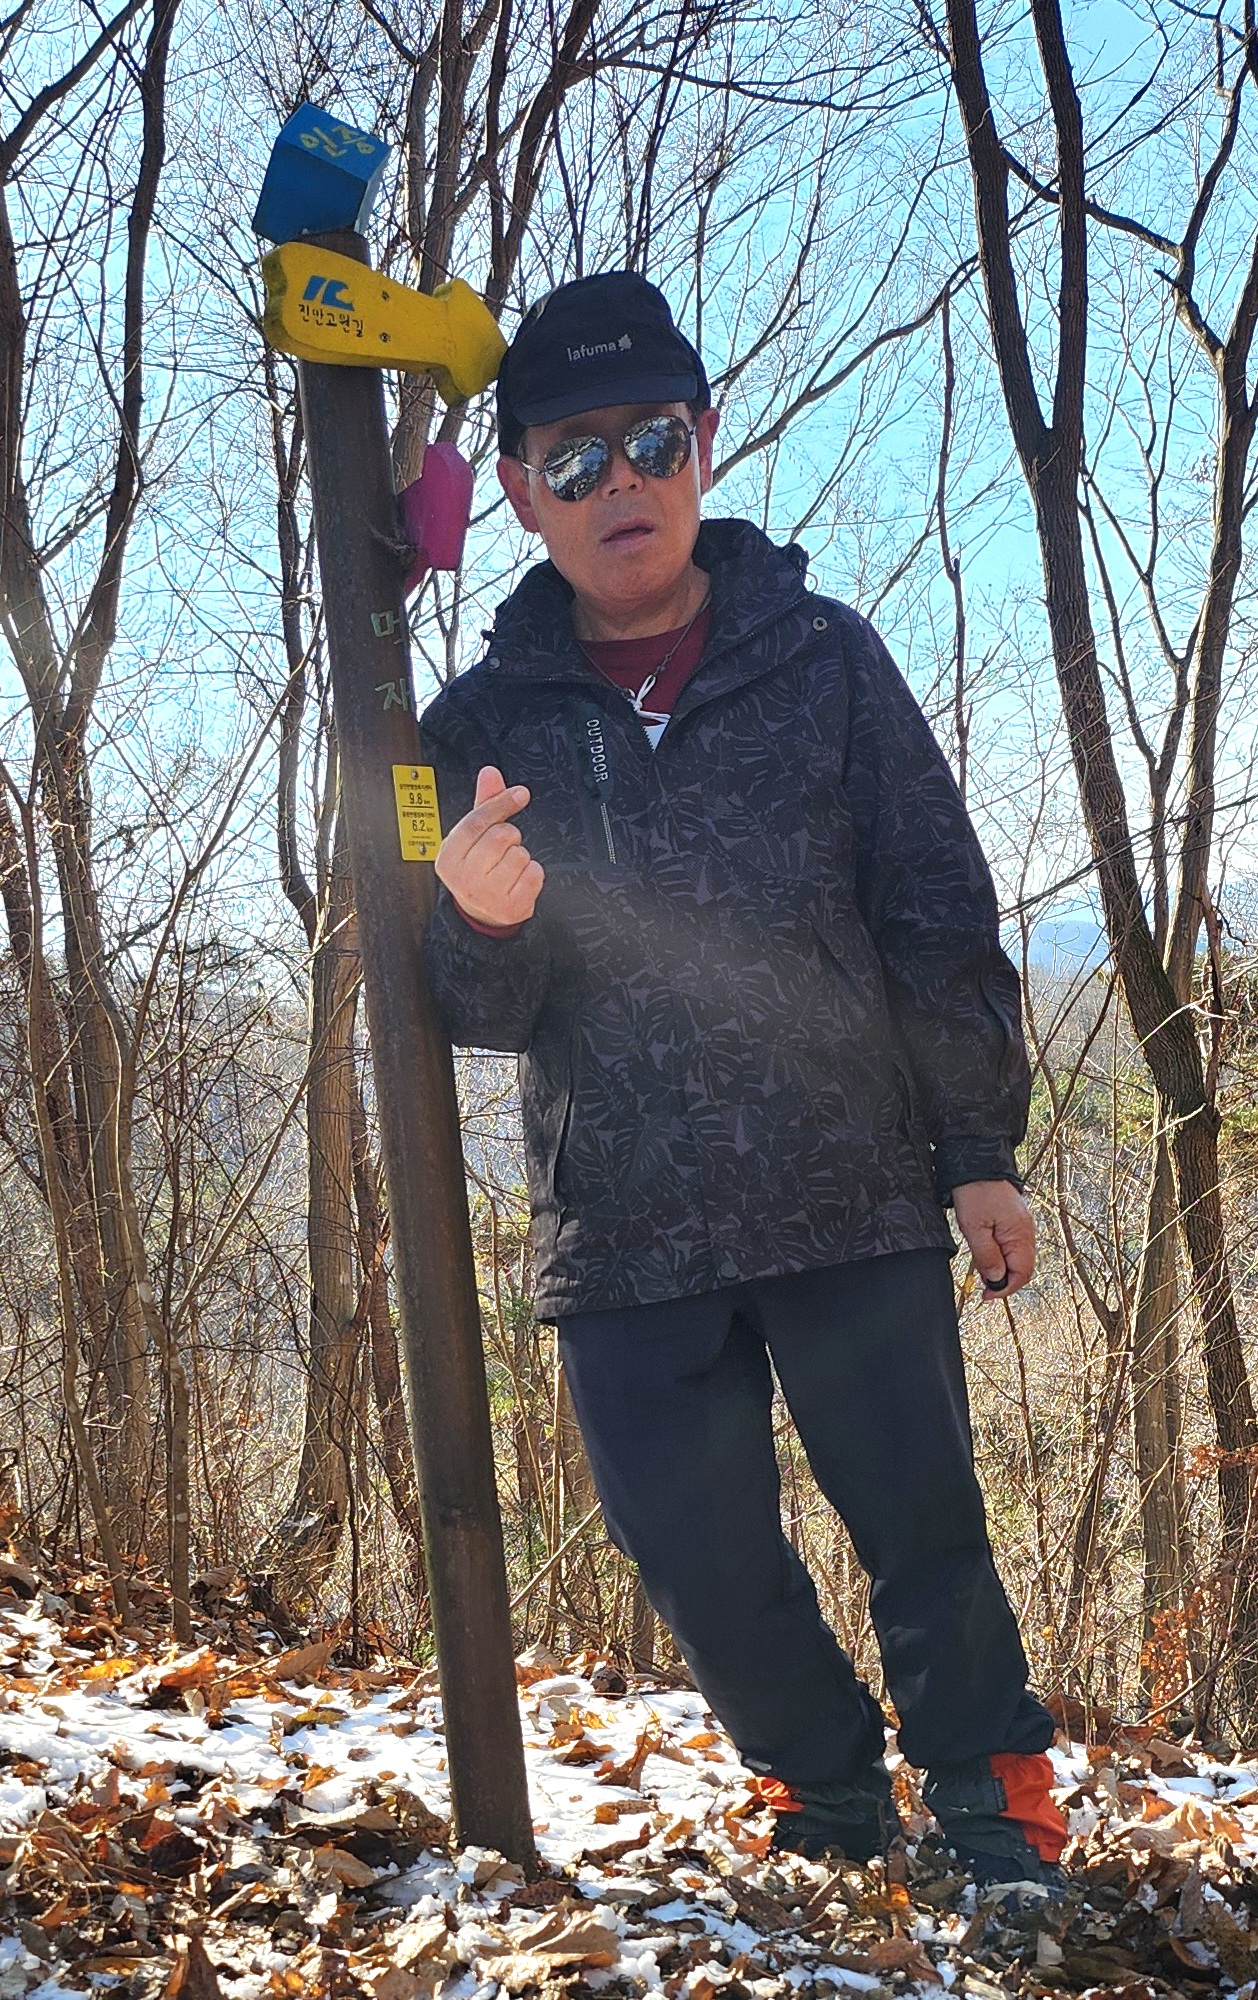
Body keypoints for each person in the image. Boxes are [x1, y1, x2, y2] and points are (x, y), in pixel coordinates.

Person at [419, 271, 1067, 1888]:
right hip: (621, 1225)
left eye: (649, 440)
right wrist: (481, 922)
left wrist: (975, 1147)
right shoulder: (472, 724)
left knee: (921, 1524)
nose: (618, 482)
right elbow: (466, 1007)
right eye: (573, 459)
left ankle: (994, 1805)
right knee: (692, 1557)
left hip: (850, 1185)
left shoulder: (824, 658)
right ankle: (822, 1788)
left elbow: (932, 908)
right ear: (522, 491)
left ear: (702, 444)